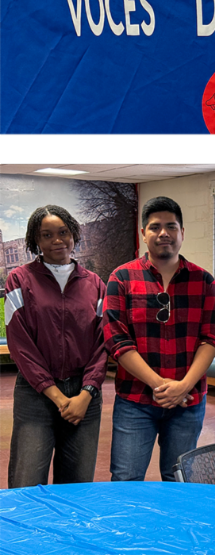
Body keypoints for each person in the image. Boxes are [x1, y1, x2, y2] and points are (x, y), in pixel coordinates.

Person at [103, 196, 215, 481]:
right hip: (135, 400)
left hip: (188, 401)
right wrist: (161, 385)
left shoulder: (204, 281)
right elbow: (117, 340)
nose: (164, 233)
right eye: (155, 227)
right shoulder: (121, 278)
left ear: (182, 232)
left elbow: (212, 338)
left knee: (179, 483)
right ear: (143, 234)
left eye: (171, 226)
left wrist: (183, 386)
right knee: (126, 480)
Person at [5, 205, 107, 486]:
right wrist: (59, 398)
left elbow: (102, 344)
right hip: (36, 394)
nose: (57, 240)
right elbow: (21, 345)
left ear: (73, 234)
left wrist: (86, 392)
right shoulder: (20, 280)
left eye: (63, 232)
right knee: (26, 483)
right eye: (47, 235)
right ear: (35, 240)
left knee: (77, 485)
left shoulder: (95, 284)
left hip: (84, 395)